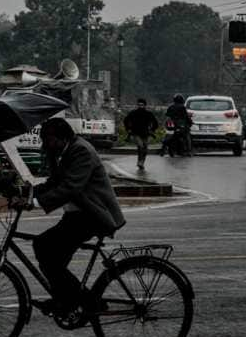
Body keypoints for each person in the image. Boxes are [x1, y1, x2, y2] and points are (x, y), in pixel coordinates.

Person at [24, 118, 126, 316]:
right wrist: (25, 193)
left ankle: (84, 301)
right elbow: (54, 182)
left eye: (49, 140)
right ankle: (68, 299)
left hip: (93, 215)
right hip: (77, 215)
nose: (46, 145)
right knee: (50, 255)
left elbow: (70, 187)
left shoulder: (81, 151)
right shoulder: (62, 152)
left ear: (62, 138)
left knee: (45, 248)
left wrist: (35, 203)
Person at [123, 98, 158, 170]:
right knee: (140, 146)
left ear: (145, 105)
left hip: (145, 133)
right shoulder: (133, 113)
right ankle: (139, 162)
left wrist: (152, 130)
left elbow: (155, 123)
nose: (140, 106)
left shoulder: (148, 114)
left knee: (145, 148)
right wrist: (128, 129)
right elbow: (126, 120)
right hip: (136, 133)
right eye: (139, 105)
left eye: (142, 105)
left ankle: (142, 162)